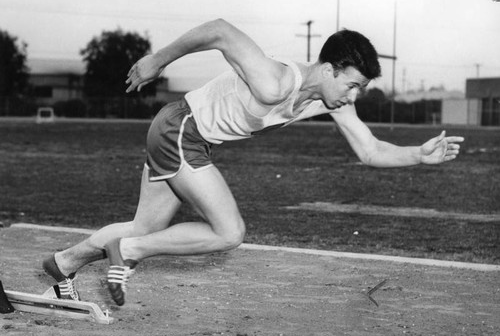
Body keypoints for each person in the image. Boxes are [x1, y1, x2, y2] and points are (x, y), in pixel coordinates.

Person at [43, 19, 464, 306]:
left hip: (183, 137)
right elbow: (220, 30)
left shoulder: (325, 101)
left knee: (145, 226)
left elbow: (369, 149)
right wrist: (158, 60)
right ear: (331, 69)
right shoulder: (276, 81)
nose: (353, 97)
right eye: (352, 85)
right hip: (181, 130)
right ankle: (130, 252)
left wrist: (418, 155)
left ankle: (62, 265)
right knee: (229, 232)